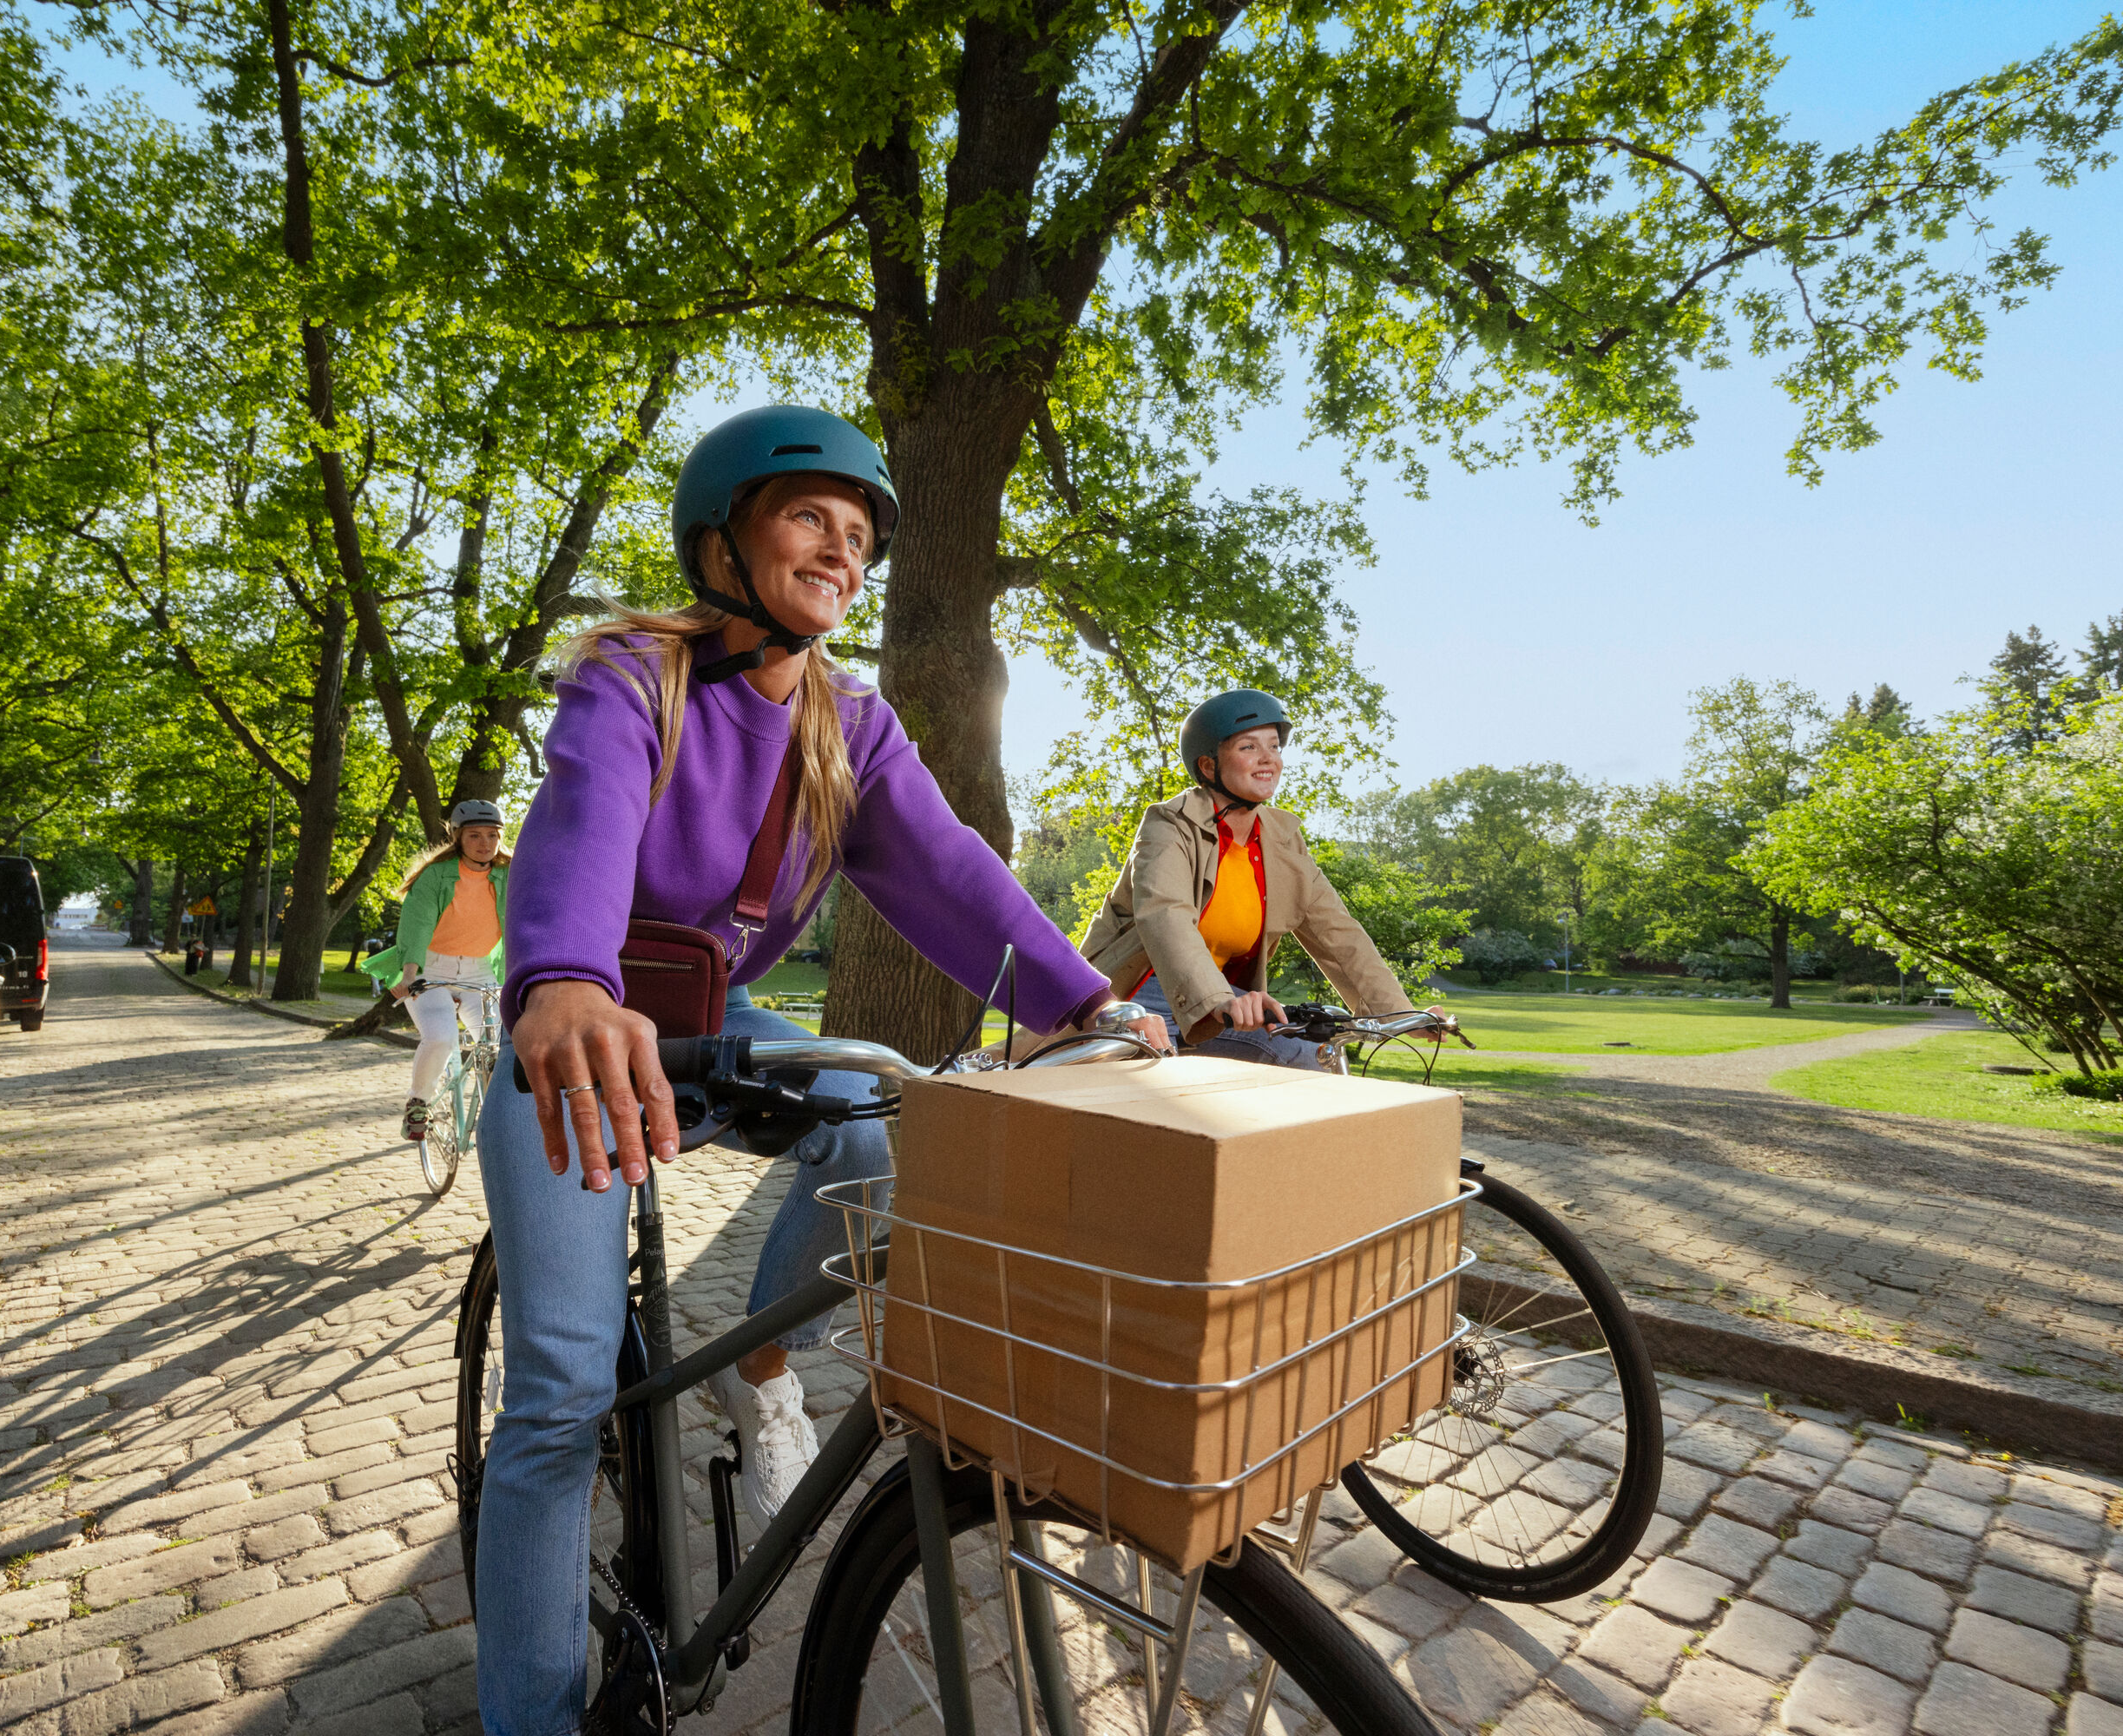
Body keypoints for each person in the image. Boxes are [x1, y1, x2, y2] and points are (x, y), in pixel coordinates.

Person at [476, 404, 1167, 1736]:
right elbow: (582, 815)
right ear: (723, 541)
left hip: (717, 1022)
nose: (841, 554)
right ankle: (532, 1718)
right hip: (576, 1036)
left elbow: (951, 873)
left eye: (859, 539)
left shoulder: (850, 725)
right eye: (810, 520)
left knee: (875, 1114)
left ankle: (764, 1368)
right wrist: (560, 977)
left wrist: (1083, 1005)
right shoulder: (632, 675)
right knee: (562, 1391)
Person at [1079, 689, 1426, 1064]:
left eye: (1275, 747)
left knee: (1318, 1056)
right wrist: (1219, 1000)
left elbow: (1339, 934)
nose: (1268, 760)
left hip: (1220, 1000)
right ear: (1209, 766)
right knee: (1298, 1056)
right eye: (1248, 747)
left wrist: (1399, 1013)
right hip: (1140, 993)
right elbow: (1166, 916)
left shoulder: (1281, 840)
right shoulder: (1170, 825)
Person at [364, 800, 510, 1140]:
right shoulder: (436, 875)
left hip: (480, 970)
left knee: (501, 1045)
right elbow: (417, 926)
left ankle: (502, 1115)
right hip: (430, 968)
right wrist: (410, 975)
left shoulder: (509, 873)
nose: (485, 843)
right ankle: (419, 1103)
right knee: (442, 1039)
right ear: (458, 837)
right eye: (474, 835)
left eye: (493, 835)